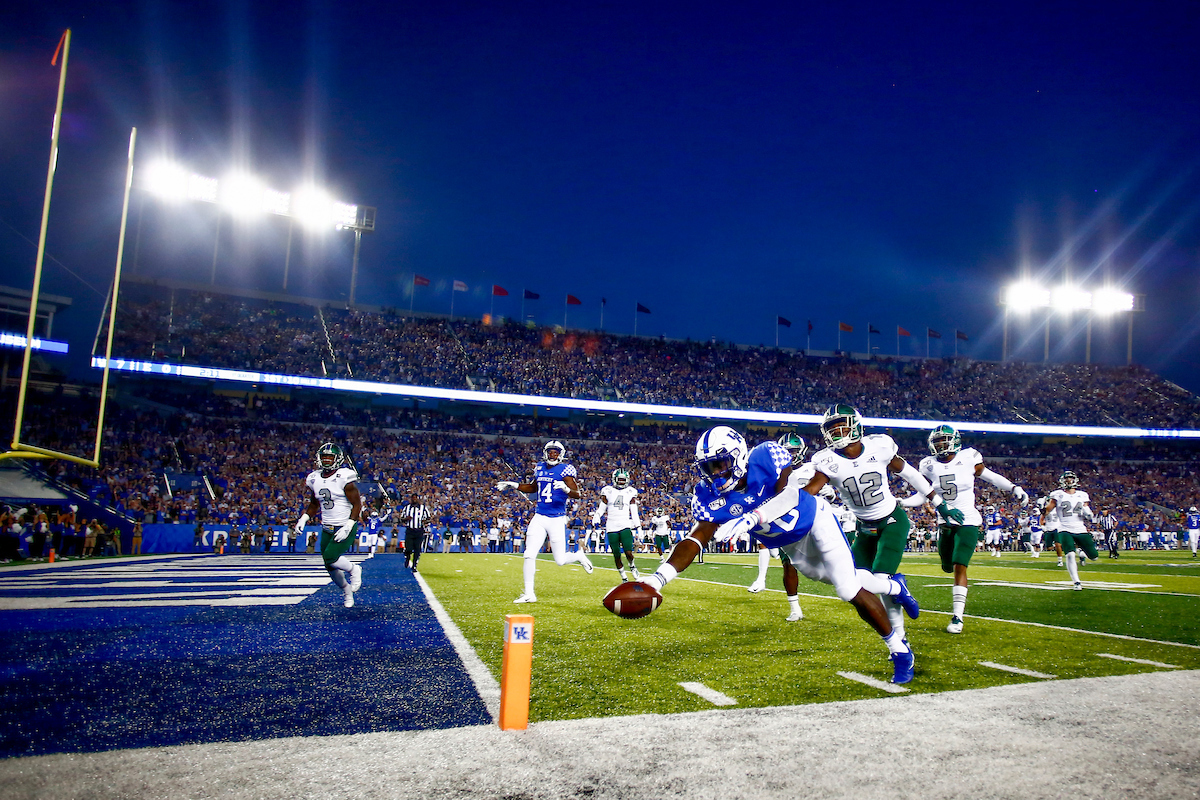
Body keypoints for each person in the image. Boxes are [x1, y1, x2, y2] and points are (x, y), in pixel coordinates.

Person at [641, 427, 921, 684]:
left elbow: (790, 497)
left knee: (848, 588)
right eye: (708, 468)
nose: (715, 473)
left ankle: (899, 650)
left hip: (815, 522)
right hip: (792, 545)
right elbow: (695, 539)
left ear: (738, 456)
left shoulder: (767, 455)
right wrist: (657, 580)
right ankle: (895, 586)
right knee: (844, 579)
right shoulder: (706, 494)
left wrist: (754, 518)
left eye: (720, 464)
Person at [805, 404, 942, 653]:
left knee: (880, 579)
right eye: (831, 429)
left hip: (891, 520)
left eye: (841, 426)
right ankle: (898, 588)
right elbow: (810, 492)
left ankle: (900, 639)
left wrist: (937, 500)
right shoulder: (826, 460)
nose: (836, 433)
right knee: (853, 584)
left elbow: (910, 474)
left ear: (855, 426)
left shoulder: (879, 446)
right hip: (864, 528)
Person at [912, 424, 1028, 634]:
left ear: (955, 441)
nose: (940, 445)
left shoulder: (968, 457)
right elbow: (923, 494)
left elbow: (991, 476)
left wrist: (1013, 487)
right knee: (947, 565)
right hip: (945, 522)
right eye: (937, 441)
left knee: (959, 566)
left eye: (943, 440)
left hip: (968, 521)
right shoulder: (927, 465)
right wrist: (904, 502)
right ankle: (956, 609)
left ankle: (957, 617)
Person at [496, 440, 594, 603]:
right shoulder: (540, 467)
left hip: (556, 518)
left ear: (561, 454)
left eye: (555, 452)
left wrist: (565, 489)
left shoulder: (566, 469)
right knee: (528, 554)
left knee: (560, 560)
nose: (552, 454)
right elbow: (533, 488)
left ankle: (578, 556)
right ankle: (529, 594)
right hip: (539, 516)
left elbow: (578, 494)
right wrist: (513, 485)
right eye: (550, 451)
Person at [748, 432, 814, 622]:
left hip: (814, 519)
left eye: (793, 451)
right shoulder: (774, 474)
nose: (790, 455)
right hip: (790, 524)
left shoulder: (811, 469)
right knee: (788, 564)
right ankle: (795, 607)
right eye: (786, 452)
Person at [295, 442, 364, 608]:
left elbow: (357, 505)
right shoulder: (313, 478)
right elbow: (314, 504)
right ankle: (347, 591)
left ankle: (355, 569)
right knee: (329, 566)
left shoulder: (344, 477)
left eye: (330, 457)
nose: (326, 460)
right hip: (327, 527)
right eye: (324, 457)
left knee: (330, 557)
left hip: (345, 525)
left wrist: (348, 525)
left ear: (337, 459)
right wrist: (304, 518)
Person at [1042, 471, 1098, 591]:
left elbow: (1087, 511)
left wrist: (1089, 514)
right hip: (1064, 527)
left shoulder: (1082, 495)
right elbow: (1047, 510)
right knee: (1070, 554)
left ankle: (1082, 554)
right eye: (1066, 478)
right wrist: (1043, 509)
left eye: (1071, 478)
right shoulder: (1057, 494)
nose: (1069, 481)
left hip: (1080, 527)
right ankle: (1076, 582)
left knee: (1094, 557)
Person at [593, 468, 641, 582]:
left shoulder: (630, 491)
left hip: (625, 524)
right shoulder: (608, 491)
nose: (621, 482)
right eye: (619, 480)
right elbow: (602, 507)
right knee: (616, 554)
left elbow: (634, 512)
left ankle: (632, 565)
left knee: (628, 552)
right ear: (614, 479)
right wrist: (597, 515)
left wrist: (638, 527)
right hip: (611, 526)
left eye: (623, 480)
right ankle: (624, 577)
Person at [399, 493, 432, 571]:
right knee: (408, 548)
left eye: (415, 498)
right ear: (411, 499)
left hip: (419, 530)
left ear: (418, 499)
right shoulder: (407, 508)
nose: (414, 499)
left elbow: (429, 518)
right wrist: (406, 518)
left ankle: (414, 565)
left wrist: (425, 521)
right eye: (413, 498)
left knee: (418, 549)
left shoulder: (423, 508)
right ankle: (407, 557)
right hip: (410, 530)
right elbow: (401, 519)